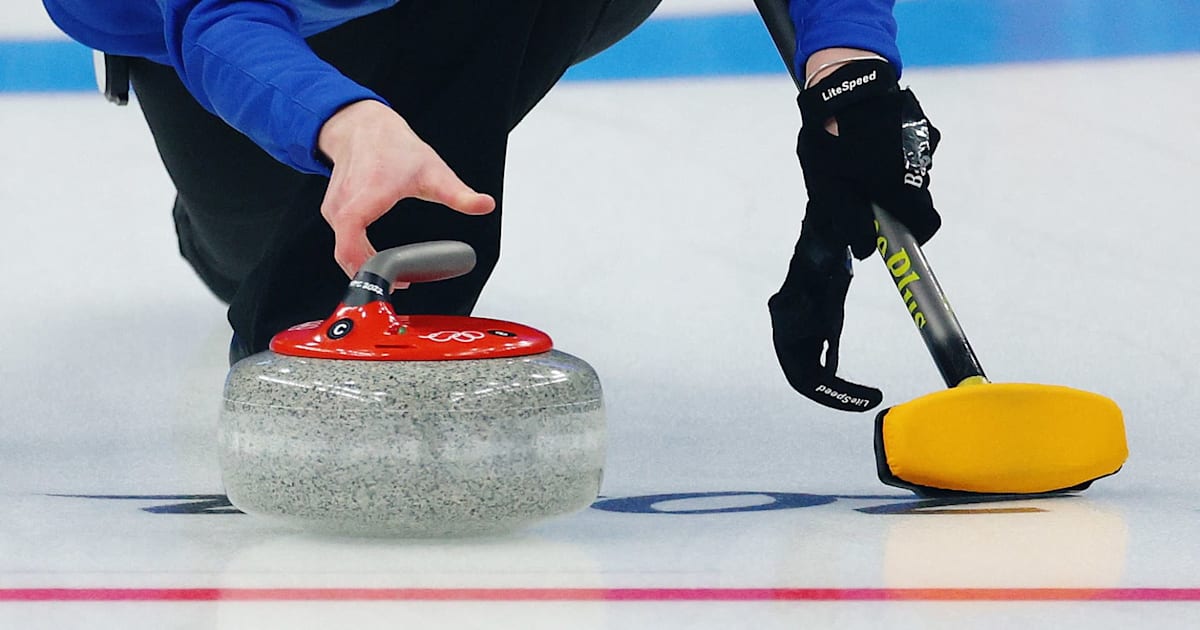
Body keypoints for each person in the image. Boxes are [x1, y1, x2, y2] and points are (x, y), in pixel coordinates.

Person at [43, 0, 940, 410]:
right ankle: (240, 227)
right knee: (256, 243)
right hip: (216, 24)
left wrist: (847, 70)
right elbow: (219, 18)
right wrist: (344, 121)